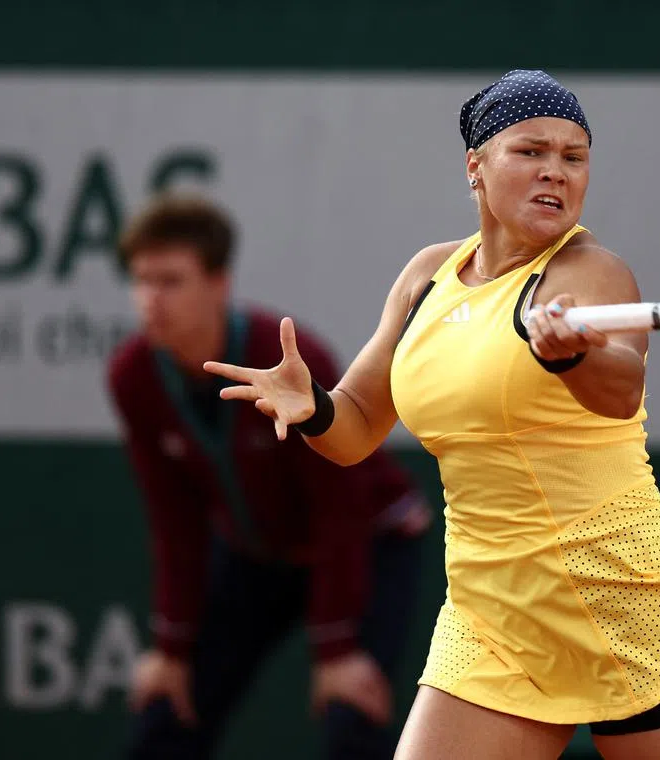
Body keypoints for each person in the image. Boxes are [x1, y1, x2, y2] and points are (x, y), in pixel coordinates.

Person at [205, 70, 660, 760]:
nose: (556, 172)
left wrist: (571, 356)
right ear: (475, 167)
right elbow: (357, 426)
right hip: (492, 616)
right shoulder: (428, 275)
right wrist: (313, 409)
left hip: (617, 595)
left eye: (574, 158)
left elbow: (621, 390)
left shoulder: (590, 272)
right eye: (532, 152)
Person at [106, 194, 432, 760]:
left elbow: (340, 508)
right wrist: (171, 647)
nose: (150, 300)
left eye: (171, 281)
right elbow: (175, 523)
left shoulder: (284, 358)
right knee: (169, 705)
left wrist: (335, 650)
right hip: (257, 555)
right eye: (141, 280)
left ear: (218, 284)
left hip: (367, 542)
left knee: (352, 711)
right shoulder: (133, 376)